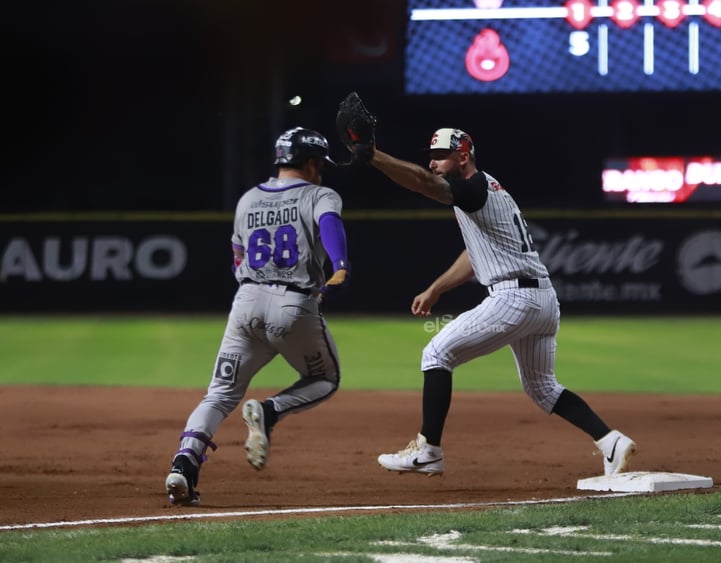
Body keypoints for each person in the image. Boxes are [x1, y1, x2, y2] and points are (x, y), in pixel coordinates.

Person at [355, 125, 635, 477]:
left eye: (441, 156)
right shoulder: (486, 190)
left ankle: (428, 450)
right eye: (432, 156)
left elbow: (425, 184)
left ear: (463, 156)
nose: (434, 162)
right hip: (543, 299)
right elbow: (476, 255)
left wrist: (375, 156)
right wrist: (438, 288)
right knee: (543, 388)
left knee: (437, 354)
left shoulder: (472, 188)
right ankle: (611, 442)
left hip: (513, 297)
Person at [165, 127, 350, 505]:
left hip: (246, 302)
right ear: (312, 163)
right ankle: (269, 411)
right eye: (321, 164)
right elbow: (331, 224)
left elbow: (236, 255)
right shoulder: (319, 194)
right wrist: (341, 264)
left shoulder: (248, 198)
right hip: (293, 305)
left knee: (219, 394)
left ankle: (184, 463)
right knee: (325, 378)